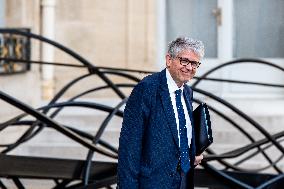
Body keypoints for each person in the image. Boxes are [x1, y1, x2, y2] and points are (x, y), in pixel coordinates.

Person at [117, 37, 205, 189]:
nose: (189, 67)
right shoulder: (147, 88)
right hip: (152, 183)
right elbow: (129, 146)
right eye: (184, 61)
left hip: (183, 181)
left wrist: (191, 155)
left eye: (194, 63)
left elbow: (179, 136)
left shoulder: (187, 92)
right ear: (169, 60)